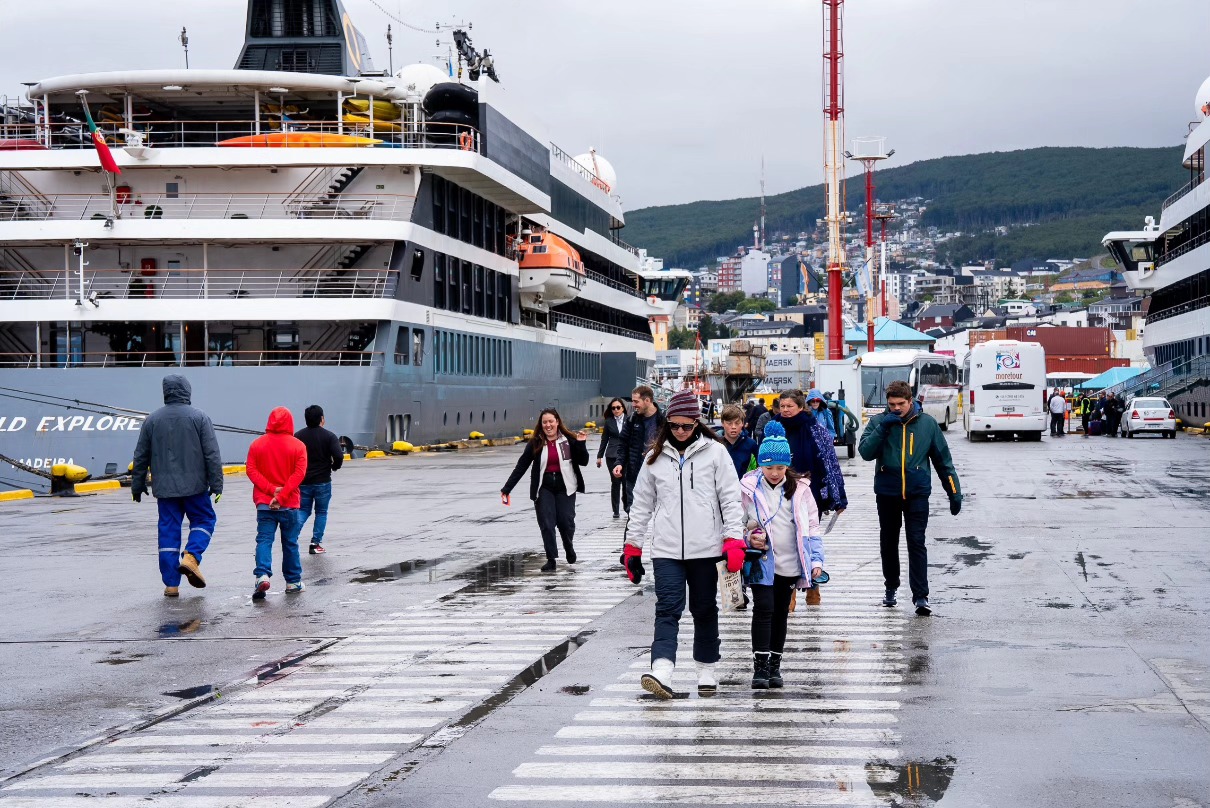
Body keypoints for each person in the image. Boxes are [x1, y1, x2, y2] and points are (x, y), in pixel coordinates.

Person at [622, 389, 745, 699]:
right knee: (667, 608)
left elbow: (731, 500)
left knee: (704, 609)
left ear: (696, 423)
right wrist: (632, 547)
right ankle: (662, 670)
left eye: (686, 426)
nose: (679, 431)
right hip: (666, 549)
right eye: (674, 425)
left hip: (706, 548)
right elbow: (641, 505)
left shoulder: (716, 453)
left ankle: (706, 670)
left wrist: (734, 540)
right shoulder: (654, 458)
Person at [859, 380, 962, 616]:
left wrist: (954, 492)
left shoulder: (927, 424)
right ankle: (891, 587)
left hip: (917, 493)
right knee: (889, 541)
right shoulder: (878, 422)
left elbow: (943, 461)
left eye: (900, 404)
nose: (896, 408)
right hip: (887, 493)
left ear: (910, 400)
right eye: (892, 404)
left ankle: (921, 596)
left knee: (916, 541)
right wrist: (883, 428)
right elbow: (865, 452)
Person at [740, 421, 825, 689]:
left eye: (780, 467)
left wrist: (816, 560)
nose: (775, 473)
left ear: (787, 464)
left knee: (780, 613)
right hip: (762, 560)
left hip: (790, 562)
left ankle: (775, 666)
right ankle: (760, 667)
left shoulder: (800, 490)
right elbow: (736, 523)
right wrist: (748, 538)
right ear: (760, 465)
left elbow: (813, 526)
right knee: (763, 608)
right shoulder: (748, 488)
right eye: (769, 467)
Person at [131, 374, 223, 597]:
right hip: (196, 487)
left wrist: (137, 485)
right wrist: (217, 484)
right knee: (204, 520)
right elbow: (211, 454)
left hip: (165, 489)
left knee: (168, 531)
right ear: (187, 390)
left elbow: (141, 455)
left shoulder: (152, 420)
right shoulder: (200, 417)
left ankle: (171, 584)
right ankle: (191, 556)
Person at [502, 409, 589, 571]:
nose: (548, 425)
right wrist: (507, 488)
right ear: (541, 424)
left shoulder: (568, 440)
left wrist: (581, 443)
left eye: (551, 421)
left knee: (566, 522)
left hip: (565, 486)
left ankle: (568, 545)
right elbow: (521, 466)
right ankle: (551, 559)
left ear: (557, 422)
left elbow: (583, 461)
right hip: (544, 487)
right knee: (547, 523)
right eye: (544, 422)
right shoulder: (536, 442)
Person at [246, 407, 309, 600]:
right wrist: (281, 496)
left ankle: (262, 575)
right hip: (289, 504)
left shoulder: (257, 444)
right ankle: (293, 582)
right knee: (290, 543)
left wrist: (271, 490)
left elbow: (251, 470)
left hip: (264, 504)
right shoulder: (298, 446)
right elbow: (299, 475)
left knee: (264, 540)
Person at [770, 390, 848, 516]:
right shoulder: (772, 428)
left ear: (800, 407)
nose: (785, 410)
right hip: (778, 489)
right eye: (782, 406)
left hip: (809, 489)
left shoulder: (815, 429)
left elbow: (830, 462)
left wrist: (839, 497)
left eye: (789, 406)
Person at [294, 404, 344, 555]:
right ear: (322, 419)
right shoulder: (329, 436)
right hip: (323, 481)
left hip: (303, 481)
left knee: (303, 510)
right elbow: (338, 455)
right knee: (321, 512)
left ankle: (291, 537)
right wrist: (335, 466)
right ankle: (315, 544)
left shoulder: (298, 436)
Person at [612, 386, 665, 513]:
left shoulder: (663, 421)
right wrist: (619, 463)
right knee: (633, 511)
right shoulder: (632, 420)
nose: (633, 405)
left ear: (647, 400)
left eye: (636, 401)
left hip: (658, 475)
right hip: (634, 474)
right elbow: (623, 444)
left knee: (658, 512)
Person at [596, 397, 628, 518]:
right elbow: (604, 439)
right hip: (612, 455)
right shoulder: (609, 422)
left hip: (626, 455)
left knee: (626, 482)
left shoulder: (629, 420)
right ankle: (616, 510)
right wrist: (599, 456)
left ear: (623, 408)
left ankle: (627, 507)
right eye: (613, 408)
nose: (616, 410)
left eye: (618, 407)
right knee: (615, 482)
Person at [718, 403, 759, 478]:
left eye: (737, 423)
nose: (733, 427)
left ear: (742, 423)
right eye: (729, 423)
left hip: (745, 484)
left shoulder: (751, 445)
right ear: (722, 423)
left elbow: (758, 469)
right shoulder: (716, 444)